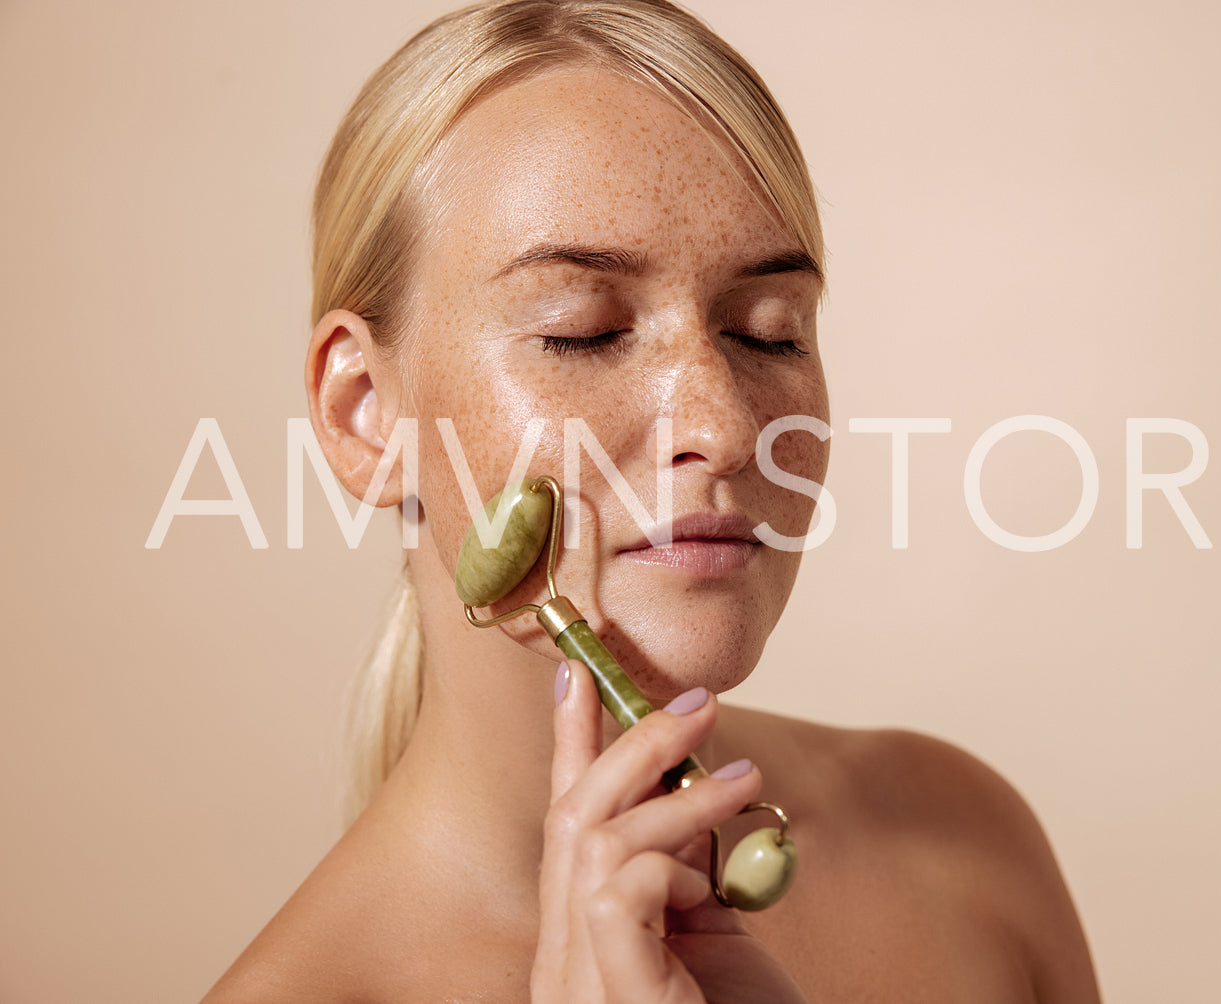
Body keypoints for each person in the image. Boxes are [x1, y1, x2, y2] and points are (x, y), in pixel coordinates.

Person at [204, 1, 1100, 1000]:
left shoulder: (964, 845)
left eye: (768, 331)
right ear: (365, 414)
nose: (721, 426)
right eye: (581, 331)